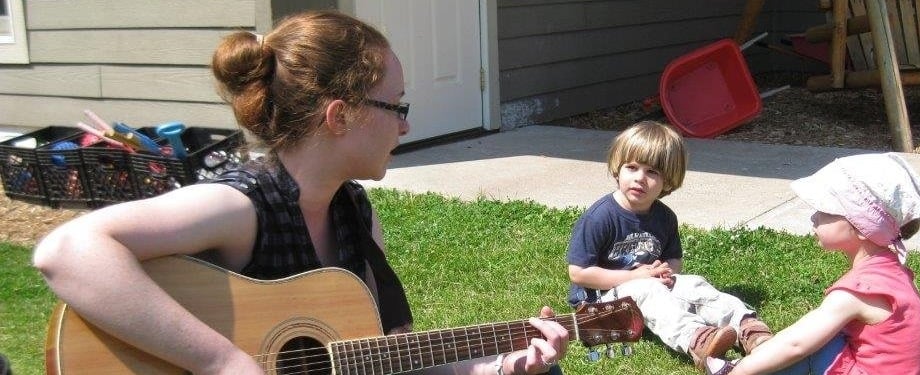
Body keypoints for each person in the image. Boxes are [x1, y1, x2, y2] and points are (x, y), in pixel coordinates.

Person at [33, 10, 567, 375]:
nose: (405, 127)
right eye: (397, 106)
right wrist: (222, 361)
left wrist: (491, 364)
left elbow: (390, 355)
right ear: (341, 115)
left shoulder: (355, 214)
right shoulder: (239, 205)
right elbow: (66, 252)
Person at [705, 152, 920, 375]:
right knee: (826, 335)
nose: (814, 217)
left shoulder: (859, 290)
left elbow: (796, 344)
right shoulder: (892, 271)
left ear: (861, 227)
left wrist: (743, 370)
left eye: (825, 211)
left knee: (815, 344)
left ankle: (739, 368)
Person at [565, 121, 774, 369]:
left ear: (668, 180)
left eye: (652, 172)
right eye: (632, 168)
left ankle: (748, 328)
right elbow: (578, 273)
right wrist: (634, 278)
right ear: (617, 170)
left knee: (693, 283)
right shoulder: (600, 217)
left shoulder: (664, 217)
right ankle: (697, 340)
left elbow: (674, 260)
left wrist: (666, 273)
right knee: (648, 290)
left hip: (648, 285)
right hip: (600, 309)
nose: (640, 178)